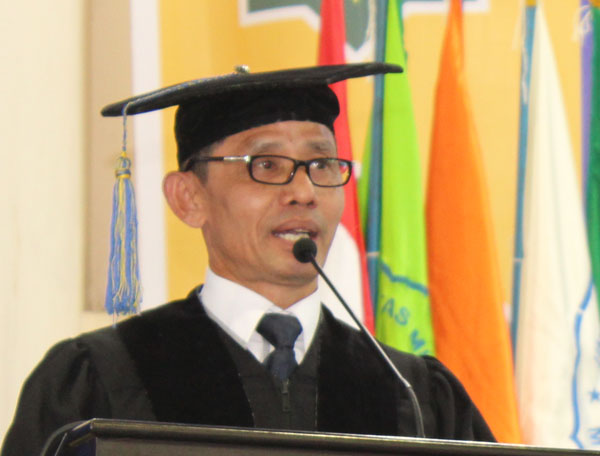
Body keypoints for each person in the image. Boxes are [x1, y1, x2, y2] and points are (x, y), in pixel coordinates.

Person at [1, 63, 494, 455]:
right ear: (188, 198)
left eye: (323, 164)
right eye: (267, 165)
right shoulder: (101, 376)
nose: (304, 191)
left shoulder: (413, 393)